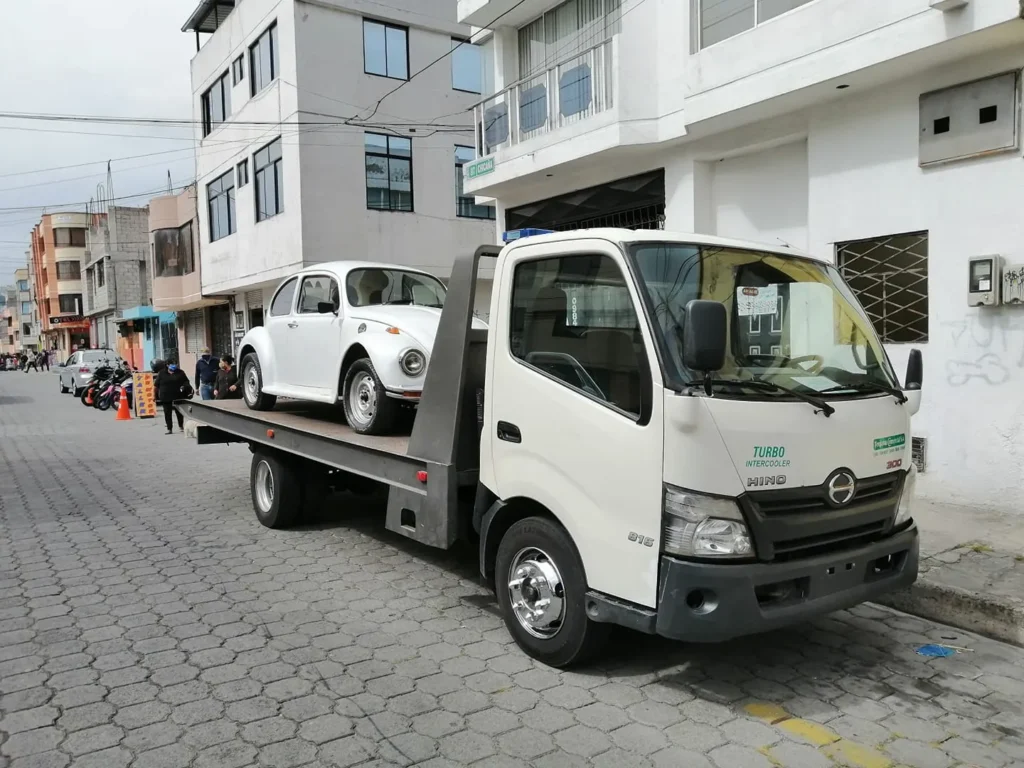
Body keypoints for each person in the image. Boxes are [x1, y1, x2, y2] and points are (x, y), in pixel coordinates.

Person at [155, 362, 190, 434]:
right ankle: (169, 428)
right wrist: (154, 396)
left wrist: (184, 386)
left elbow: (186, 381)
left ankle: (181, 426)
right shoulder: (162, 373)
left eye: (175, 364)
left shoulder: (180, 372)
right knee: (167, 412)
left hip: (178, 395)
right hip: (166, 396)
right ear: (167, 365)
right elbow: (156, 385)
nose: (174, 365)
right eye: (172, 364)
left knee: (179, 412)